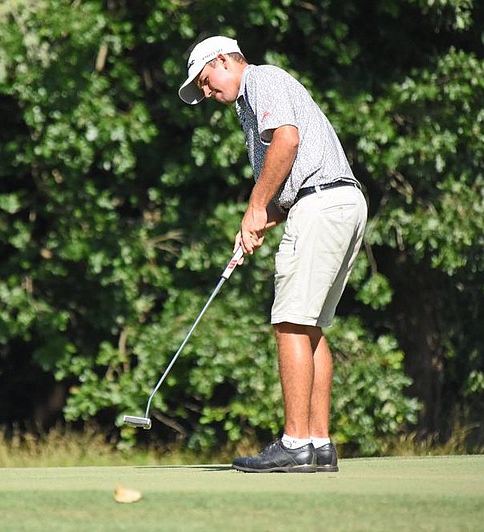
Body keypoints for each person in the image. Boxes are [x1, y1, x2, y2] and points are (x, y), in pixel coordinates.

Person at [178, 36, 367, 473]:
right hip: (336, 201)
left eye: (206, 81)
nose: (207, 93)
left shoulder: (261, 79)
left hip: (321, 204)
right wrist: (260, 222)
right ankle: (318, 445)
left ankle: (295, 442)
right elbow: (288, 183)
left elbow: (287, 141)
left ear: (224, 60)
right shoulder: (254, 99)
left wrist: (254, 206)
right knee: (311, 326)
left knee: (289, 322)